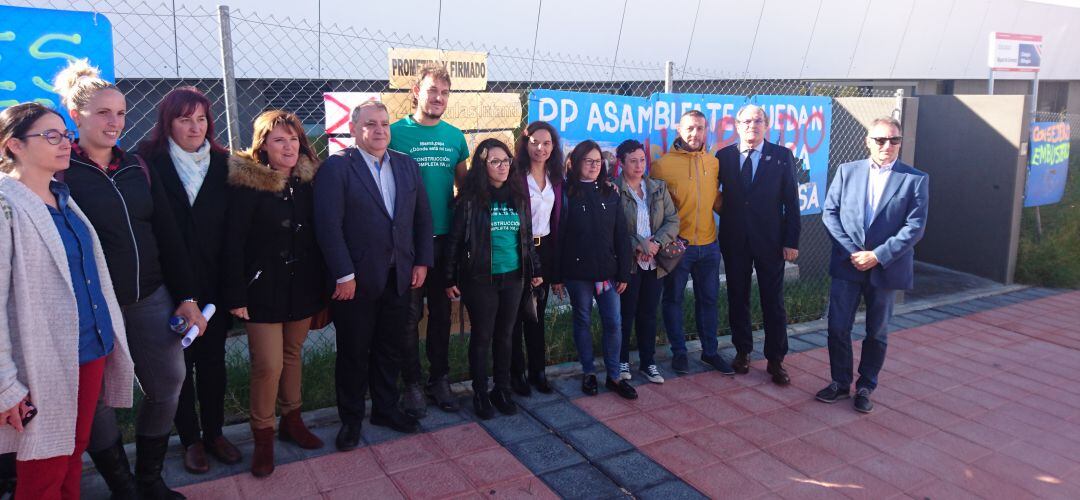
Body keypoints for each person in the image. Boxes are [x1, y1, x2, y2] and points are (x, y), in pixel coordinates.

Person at [54, 59, 204, 500]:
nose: (114, 122)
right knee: (98, 400)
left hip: (150, 297)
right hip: (92, 308)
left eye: (120, 113)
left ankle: (148, 479)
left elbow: (168, 236)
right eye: (103, 113)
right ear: (76, 115)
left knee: (168, 382)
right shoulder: (61, 172)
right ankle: (122, 488)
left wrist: (187, 296)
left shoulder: (138, 166)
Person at [0, 102, 134, 500]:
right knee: (43, 468)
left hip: (87, 350)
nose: (64, 144)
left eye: (66, 135)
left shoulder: (63, 197)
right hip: (41, 364)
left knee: (73, 452)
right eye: (50, 136)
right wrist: (6, 386)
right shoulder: (6, 207)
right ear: (14, 147)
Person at [314, 101, 433, 451]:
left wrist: (422, 261)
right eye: (370, 124)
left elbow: (422, 219)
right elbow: (328, 227)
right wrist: (343, 274)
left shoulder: (407, 165)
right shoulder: (337, 168)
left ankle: (385, 408)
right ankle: (351, 420)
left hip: (399, 277)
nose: (379, 130)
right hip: (356, 282)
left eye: (384, 123)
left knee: (389, 348)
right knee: (353, 352)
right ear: (354, 129)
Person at [137, 86, 241, 474]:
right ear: (168, 122)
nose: (195, 127)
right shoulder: (148, 162)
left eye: (201, 119)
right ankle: (190, 440)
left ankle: (214, 433)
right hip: (168, 286)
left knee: (213, 364)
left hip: (213, 287)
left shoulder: (222, 163)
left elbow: (232, 231)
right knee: (177, 366)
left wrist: (232, 288)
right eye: (185, 119)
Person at [224, 110, 328, 476]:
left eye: (294, 138)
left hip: (302, 288)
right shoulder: (248, 185)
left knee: (292, 355)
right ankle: (263, 437)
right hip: (260, 292)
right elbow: (233, 243)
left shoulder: (308, 183)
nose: (288, 146)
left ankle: (292, 420)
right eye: (278, 140)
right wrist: (236, 294)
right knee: (267, 365)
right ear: (263, 145)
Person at [818, 117, 929, 414]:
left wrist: (878, 255)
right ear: (868, 141)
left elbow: (914, 227)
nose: (887, 146)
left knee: (876, 332)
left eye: (894, 140)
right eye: (880, 140)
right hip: (848, 264)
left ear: (900, 142)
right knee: (837, 327)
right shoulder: (846, 171)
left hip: (886, 268)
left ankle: (866, 385)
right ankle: (840, 382)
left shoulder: (915, 179)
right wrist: (854, 252)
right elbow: (830, 214)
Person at [389, 63, 470, 418]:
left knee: (440, 314)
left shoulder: (455, 137)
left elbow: (464, 190)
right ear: (415, 93)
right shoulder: (393, 133)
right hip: (406, 244)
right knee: (408, 316)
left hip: (444, 242)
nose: (438, 98)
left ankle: (440, 379)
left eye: (445, 92)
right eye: (432, 90)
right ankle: (412, 384)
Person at [444, 138, 542, 419]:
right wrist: (449, 277)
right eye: (495, 161)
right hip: (480, 280)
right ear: (482, 166)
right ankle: (480, 393)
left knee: (506, 336)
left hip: (513, 279)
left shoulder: (517, 198)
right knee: (483, 337)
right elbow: (454, 242)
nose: (502, 166)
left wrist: (535, 271)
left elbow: (526, 238)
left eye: (506, 161)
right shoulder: (470, 201)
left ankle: (502, 389)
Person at [714, 104, 801, 385]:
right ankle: (742, 352)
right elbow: (714, 194)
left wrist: (791, 241)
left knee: (772, 301)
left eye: (758, 120)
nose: (752, 125)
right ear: (737, 125)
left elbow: (792, 202)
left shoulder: (781, 156)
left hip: (771, 242)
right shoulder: (723, 157)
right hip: (735, 240)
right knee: (737, 297)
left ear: (767, 125)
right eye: (747, 121)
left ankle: (776, 360)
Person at [651, 109, 733, 375]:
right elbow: (655, 210)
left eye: (699, 128)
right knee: (673, 299)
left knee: (708, 300)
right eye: (689, 128)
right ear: (679, 129)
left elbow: (717, 201)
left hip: (709, 245)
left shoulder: (714, 163)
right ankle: (680, 353)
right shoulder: (662, 165)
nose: (694, 134)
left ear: (706, 130)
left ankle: (710, 352)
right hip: (678, 248)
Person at [552, 141, 635, 399]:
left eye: (598, 161)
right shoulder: (564, 193)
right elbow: (558, 237)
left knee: (614, 323)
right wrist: (557, 277)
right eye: (588, 160)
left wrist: (623, 272)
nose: (594, 165)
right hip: (578, 276)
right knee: (583, 321)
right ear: (575, 163)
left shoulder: (610, 193)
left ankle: (614, 376)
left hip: (608, 274)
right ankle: (588, 373)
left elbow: (621, 235)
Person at [613, 139, 679, 385]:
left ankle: (648, 362)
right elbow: (612, 228)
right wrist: (637, 245)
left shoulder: (657, 188)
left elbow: (672, 220)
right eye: (633, 160)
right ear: (621, 163)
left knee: (648, 314)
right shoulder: (613, 190)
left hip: (654, 262)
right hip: (628, 264)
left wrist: (655, 244)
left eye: (642, 160)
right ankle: (621, 361)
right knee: (626, 314)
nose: (639, 165)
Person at [510, 121, 564, 396]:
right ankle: (516, 373)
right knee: (515, 315)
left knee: (536, 314)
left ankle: (538, 371)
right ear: (525, 143)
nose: (540, 148)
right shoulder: (515, 175)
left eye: (546, 143)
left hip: (544, 251)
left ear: (553, 147)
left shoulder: (557, 178)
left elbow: (558, 223)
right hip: (517, 249)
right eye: (535, 142)